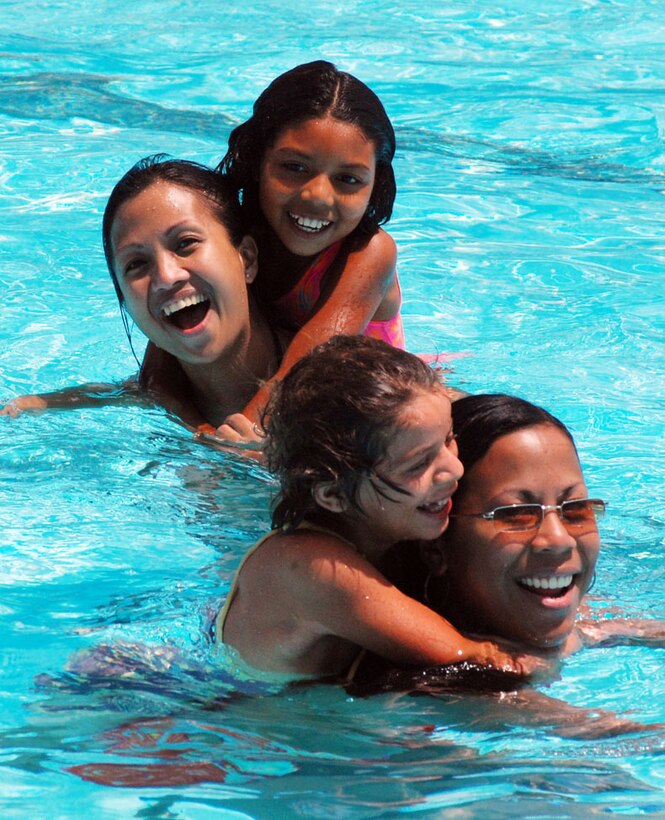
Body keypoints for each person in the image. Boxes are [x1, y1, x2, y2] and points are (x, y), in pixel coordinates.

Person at [214, 336, 550, 681]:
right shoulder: (311, 569)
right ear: (333, 495)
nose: (455, 469)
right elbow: (471, 658)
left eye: (448, 439)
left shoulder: (390, 519)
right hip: (238, 713)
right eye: (419, 464)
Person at [350, 393, 664, 692]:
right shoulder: (441, 683)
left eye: (575, 509)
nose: (559, 540)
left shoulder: (585, 620)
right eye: (516, 515)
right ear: (436, 549)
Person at [1, 156, 289, 435]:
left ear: (247, 259)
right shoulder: (147, 401)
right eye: (136, 264)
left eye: (185, 243)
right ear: (125, 304)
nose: (166, 277)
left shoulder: (327, 388)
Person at [209, 60, 405, 443]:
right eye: (295, 167)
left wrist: (236, 440)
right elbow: (166, 349)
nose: (317, 197)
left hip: (373, 404)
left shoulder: (369, 253)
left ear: (374, 184)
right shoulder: (231, 233)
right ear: (257, 160)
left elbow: (305, 367)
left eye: (348, 179)